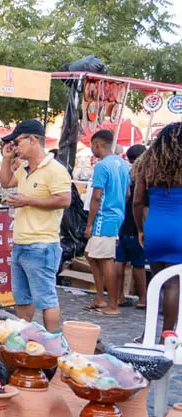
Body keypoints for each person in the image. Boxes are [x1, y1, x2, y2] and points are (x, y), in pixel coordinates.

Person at [0, 119, 72, 331]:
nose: (15, 147)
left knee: (46, 298)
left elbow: (64, 200)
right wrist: (6, 159)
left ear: (33, 139)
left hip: (42, 244)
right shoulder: (25, 168)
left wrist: (28, 201)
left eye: (17, 142)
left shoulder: (55, 169)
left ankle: (50, 340)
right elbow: (6, 182)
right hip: (20, 242)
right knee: (22, 298)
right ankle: (24, 338)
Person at [133, 122, 182, 334]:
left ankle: (148, 334)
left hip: (154, 228)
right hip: (178, 229)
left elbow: (137, 202)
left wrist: (140, 229)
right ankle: (166, 337)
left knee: (157, 283)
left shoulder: (148, 164)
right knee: (173, 284)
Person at [84, 129, 132, 316]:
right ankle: (101, 298)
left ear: (97, 144)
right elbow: (127, 193)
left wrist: (89, 223)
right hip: (117, 215)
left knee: (106, 260)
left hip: (104, 217)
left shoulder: (102, 166)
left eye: (92, 146)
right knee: (91, 255)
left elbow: (96, 197)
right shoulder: (122, 164)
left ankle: (112, 304)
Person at [116, 143, 148, 309]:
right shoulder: (145, 177)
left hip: (124, 221)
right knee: (138, 263)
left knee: (120, 260)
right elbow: (141, 204)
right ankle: (143, 299)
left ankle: (118, 296)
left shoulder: (128, 175)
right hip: (136, 224)